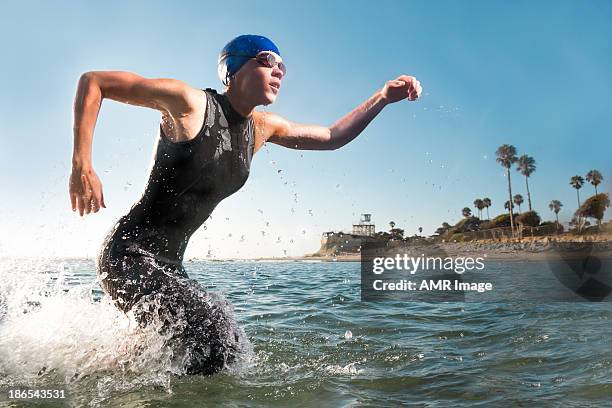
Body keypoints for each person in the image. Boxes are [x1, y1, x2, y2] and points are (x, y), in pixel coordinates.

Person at [69, 34, 422, 375]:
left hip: (170, 268)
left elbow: (331, 137)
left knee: (219, 338)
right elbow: (95, 81)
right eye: (268, 61)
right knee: (214, 330)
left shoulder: (261, 128)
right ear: (232, 71)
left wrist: (382, 97)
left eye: (283, 65)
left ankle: (98, 367)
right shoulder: (189, 103)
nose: (279, 70)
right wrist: (82, 164)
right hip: (127, 256)